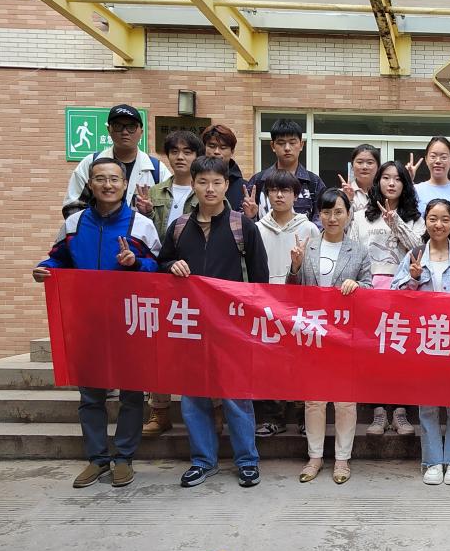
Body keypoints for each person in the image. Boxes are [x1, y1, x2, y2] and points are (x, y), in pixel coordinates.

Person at [34, 157, 161, 488]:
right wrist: (45, 268)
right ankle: (97, 458)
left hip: (129, 322)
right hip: (87, 322)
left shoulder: (141, 225)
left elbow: (158, 268)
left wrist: (136, 263)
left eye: (114, 179)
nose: (108, 185)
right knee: (91, 395)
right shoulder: (74, 224)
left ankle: (124, 458)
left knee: (132, 395)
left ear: (124, 184)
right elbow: (58, 258)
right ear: (90, 184)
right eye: (100, 179)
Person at [158, 156, 270, 489]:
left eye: (217, 182)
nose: (210, 188)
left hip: (231, 327)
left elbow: (260, 279)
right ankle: (202, 461)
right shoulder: (179, 227)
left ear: (226, 185)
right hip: (190, 325)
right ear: (193, 184)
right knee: (193, 397)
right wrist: (171, 265)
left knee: (236, 397)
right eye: (203, 182)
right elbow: (162, 263)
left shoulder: (242, 226)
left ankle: (247, 461)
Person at [392, 199, 450, 486]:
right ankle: (431, 461)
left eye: (444, 219)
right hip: (426, 341)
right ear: (426, 222)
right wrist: (413, 279)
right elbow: (395, 295)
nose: (438, 225)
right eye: (432, 218)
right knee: (428, 404)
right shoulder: (414, 255)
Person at [287, 188, 372, 485]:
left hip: (345, 338)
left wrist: (357, 286)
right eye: (326, 212)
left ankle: (342, 458)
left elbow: (370, 288)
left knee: (345, 401)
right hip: (313, 335)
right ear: (318, 215)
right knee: (314, 400)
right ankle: (314, 457)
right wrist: (295, 266)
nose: (332, 218)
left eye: (338, 212)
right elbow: (291, 290)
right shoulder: (307, 247)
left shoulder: (359, 251)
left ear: (348, 215)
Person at [351, 160, 424, 437]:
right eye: (386, 178)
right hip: (370, 291)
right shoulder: (361, 216)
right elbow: (354, 251)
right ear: (378, 182)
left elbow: (419, 250)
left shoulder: (415, 217)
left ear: (406, 184)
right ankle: (379, 411)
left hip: (404, 291)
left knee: (402, 353)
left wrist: (396, 223)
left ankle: (401, 411)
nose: (391, 183)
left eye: (398, 179)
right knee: (374, 354)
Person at [142, 129, 204, 437]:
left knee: (201, 346)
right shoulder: (152, 193)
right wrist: (141, 213)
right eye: (175, 151)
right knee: (160, 346)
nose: (181, 157)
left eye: (187, 152)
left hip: (196, 280)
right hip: (160, 275)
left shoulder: (205, 189)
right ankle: (160, 410)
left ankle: (212, 410)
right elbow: (143, 234)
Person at [253, 169, 321, 437]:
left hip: (300, 304)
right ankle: (274, 418)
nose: (279, 195)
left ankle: (304, 417)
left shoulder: (309, 228)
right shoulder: (257, 228)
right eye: (273, 190)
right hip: (267, 304)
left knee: (301, 361)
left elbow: (315, 268)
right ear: (267, 195)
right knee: (271, 363)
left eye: (285, 190)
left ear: (296, 195)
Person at [63, 104, 170, 218]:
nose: (125, 132)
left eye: (131, 127)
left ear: (141, 132)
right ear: (109, 130)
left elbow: (169, 214)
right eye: (118, 126)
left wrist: (148, 214)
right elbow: (72, 208)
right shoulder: (91, 163)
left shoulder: (157, 169)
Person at [247, 119, 325, 223]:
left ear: (301, 145)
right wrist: (251, 217)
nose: (287, 148)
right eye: (281, 143)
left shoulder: (313, 182)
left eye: (292, 142)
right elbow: (243, 218)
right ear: (272, 146)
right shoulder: (258, 181)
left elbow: (323, 218)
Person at [413, 136, 450, 212]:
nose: (438, 161)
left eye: (443, 157)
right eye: (433, 156)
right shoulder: (416, 191)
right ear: (426, 160)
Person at [201, 123, 246, 214]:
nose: (217, 152)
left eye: (223, 147)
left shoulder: (244, 187)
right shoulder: (194, 182)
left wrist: (251, 216)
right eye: (212, 146)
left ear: (232, 151)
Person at [339, 144, 380, 212]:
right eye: (360, 162)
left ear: (378, 167)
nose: (364, 167)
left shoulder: (385, 193)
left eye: (370, 163)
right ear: (352, 166)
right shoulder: (341, 194)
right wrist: (347, 200)